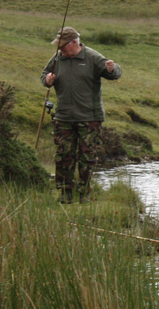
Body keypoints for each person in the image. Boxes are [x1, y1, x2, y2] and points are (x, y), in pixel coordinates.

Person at [41, 26, 122, 203]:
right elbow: (44, 75)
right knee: (63, 155)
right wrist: (47, 80)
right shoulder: (57, 58)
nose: (60, 49)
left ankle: (84, 193)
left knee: (87, 157)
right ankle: (64, 193)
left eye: (63, 45)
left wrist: (111, 69)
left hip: (90, 118)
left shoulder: (92, 57)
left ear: (74, 42)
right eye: (59, 45)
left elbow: (114, 74)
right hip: (63, 117)